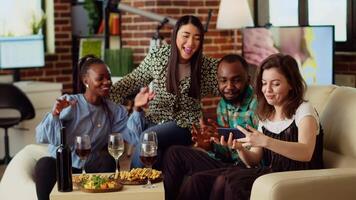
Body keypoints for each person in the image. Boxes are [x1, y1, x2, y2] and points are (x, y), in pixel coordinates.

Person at [163, 53, 324, 200]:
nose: (267, 90)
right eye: (264, 83)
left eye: (275, 84)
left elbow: (306, 152)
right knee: (200, 180)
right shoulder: (267, 114)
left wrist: (265, 141)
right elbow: (254, 160)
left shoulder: (303, 110)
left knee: (227, 182)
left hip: (296, 177)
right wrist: (239, 148)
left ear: (291, 84)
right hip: (270, 173)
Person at [109, 15, 219, 169]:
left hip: (184, 125)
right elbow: (133, 80)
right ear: (175, 35)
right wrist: (104, 95)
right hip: (155, 120)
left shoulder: (206, 66)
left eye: (197, 38)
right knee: (155, 153)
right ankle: (157, 189)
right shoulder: (159, 56)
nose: (190, 43)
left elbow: (231, 76)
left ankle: (133, 181)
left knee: (148, 137)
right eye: (186, 36)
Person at [34, 55, 149, 200]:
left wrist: (137, 109)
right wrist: (55, 114)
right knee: (44, 164)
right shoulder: (71, 103)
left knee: (107, 160)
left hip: (88, 166)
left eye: (108, 78)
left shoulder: (114, 110)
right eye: (100, 78)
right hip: (63, 166)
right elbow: (46, 138)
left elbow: (133, 137)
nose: (107, 82)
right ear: (86, 81)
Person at [193, 54, 258, 163]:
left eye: (236, 80)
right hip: (231, 166)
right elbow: (228, 153)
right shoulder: (222, 105)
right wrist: (210, 146)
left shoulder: (258, 106)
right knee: (176, 152)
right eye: (223, 81)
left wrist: (238, 146)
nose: (229, 87)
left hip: (251, 167)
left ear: (248, 80)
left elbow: (262, 153)